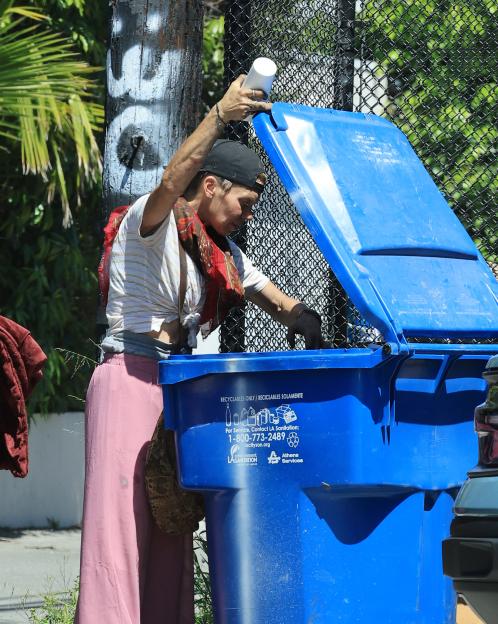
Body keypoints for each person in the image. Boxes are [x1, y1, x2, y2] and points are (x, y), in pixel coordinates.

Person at [75, 75, 325, 624]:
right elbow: (171, 178)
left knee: (172, 531)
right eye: (244, 202)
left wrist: (309, 322)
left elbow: (277, 300)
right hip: (128, 376)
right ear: (210, 186)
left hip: (176, 392)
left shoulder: (220, 250)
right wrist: (219, 113)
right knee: (118, 537)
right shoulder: (153, 219)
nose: (249, 215)